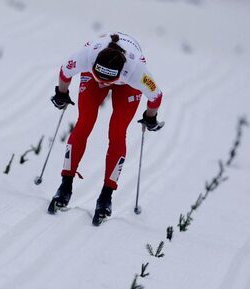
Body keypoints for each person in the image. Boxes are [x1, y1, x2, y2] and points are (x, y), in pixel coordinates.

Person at [48, 32, 163, 224]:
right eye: (98, 76)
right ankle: (65, 185)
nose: (102, 82)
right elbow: (64, 72)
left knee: (117, 132)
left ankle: (106, 196)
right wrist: (61, 93)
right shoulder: (85, 56)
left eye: (107, 81)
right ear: (92, 66)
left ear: (120, 74)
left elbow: (156, 96)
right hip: (100, 74)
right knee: (84, 122)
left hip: (127, 86)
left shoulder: (136, 72)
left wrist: (150, 118)